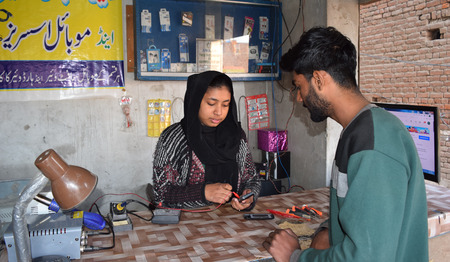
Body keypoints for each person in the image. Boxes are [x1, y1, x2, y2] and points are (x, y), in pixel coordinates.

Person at [263, 27, 428, 262]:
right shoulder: (358, 131)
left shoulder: (373, 141)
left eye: (299, 86)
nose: (299, 98)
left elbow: (368, 257)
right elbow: (363, 215)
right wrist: (329, 231)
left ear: (319, 79)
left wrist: (296, 256)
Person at [152, 70, 261, 211]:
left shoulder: (236, 135)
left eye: (225, 104)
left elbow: (252, 179)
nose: (219, 112)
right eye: (211, 103)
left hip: (232, 223)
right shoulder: (172, 138)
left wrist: (249, 195)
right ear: (195, 100)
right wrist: (203, 193)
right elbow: (160, 194)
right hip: (186, 226)